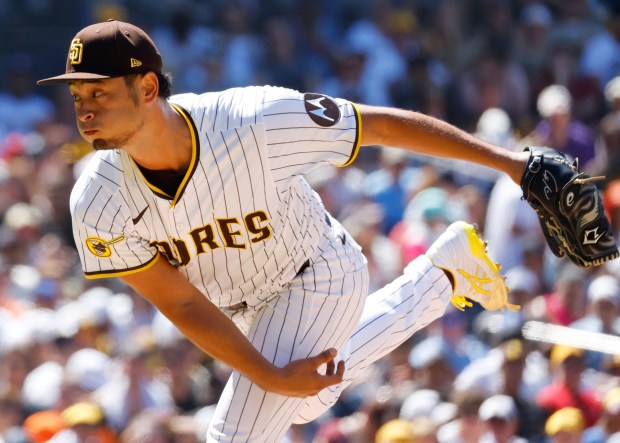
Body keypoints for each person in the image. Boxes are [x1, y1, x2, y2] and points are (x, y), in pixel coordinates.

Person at [38, 20, 526, 442]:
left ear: (147, 88)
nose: (84, 109)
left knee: (234, 434)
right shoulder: (96, 200)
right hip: (247, 314)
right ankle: (442, 274)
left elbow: (376, 127)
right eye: (78, 95)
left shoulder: (250, 120)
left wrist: (510, 163)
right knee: (307, 398)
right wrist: (270, 373)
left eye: (99, 92)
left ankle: (442, 274)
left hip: (316, 272)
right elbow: (181, 302)